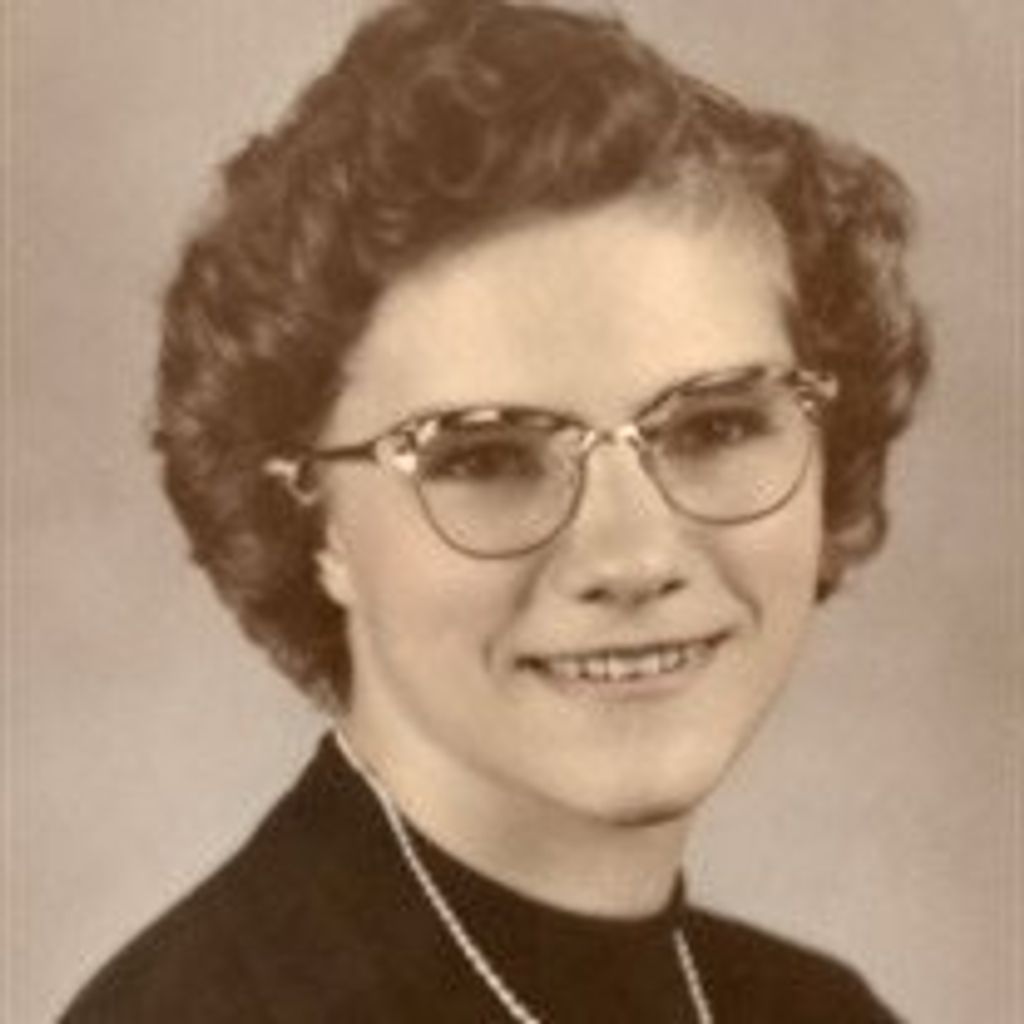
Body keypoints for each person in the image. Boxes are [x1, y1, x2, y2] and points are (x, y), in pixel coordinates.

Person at [61, 0, 930, 1020]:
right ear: (313, 521)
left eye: (716, 426)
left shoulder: (811, 1009)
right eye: (485, 455)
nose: (633, 556)